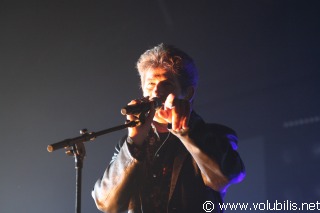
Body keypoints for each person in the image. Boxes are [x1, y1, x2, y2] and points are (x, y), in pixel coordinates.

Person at [92, 43, 245, 213]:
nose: (156, 92)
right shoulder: (129, 145)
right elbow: (107, 204)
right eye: (150, 84)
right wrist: (134, 141)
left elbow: (222, 179)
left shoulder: (216, 135)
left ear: (187, 93)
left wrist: (185, 132)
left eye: (166, 84)